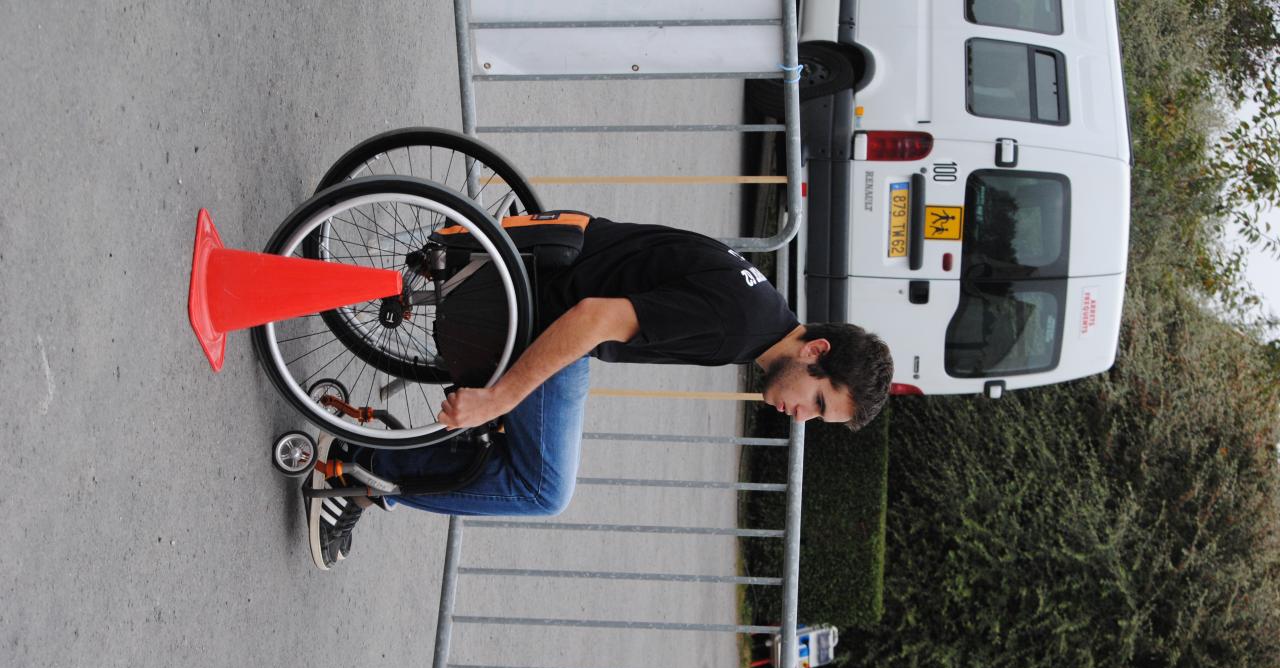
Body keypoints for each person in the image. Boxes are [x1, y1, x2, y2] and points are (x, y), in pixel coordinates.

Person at [305, 216, 894, 569]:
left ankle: (384, 463)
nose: (802, 417)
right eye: (818, 403)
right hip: (546, 308)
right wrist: (501, 398)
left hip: (557, 265)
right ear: (815, 352)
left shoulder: (761, 309)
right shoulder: (736, 328)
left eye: (818, 418)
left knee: (533, 455)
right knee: (542, 488)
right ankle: (362, 468)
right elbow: (595, 318)